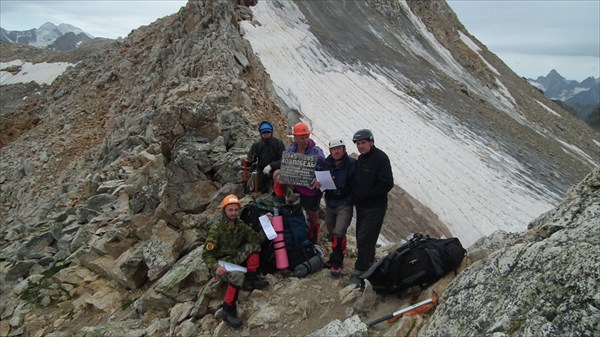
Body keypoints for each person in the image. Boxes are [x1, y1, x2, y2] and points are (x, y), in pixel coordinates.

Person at [202, 194, 270, 328]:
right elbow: (206, 254)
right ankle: (228, 310)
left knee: (254, 247)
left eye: (236, 210)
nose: (233, 213)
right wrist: (216, 267)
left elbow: (257, 239)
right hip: (220, 263)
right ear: (225, 211)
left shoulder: (240, 225)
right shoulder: (217, 229)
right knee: (237, 277)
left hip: (233, 259)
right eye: (230, 210)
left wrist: (266, 223)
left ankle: (252, 278)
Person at [271, 122, 326, 243]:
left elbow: (325, 170)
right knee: (277, 174)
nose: (305, 140)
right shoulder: (291, 149)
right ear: (295, 138)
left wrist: (317, 179)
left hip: (310, 189)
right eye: (301, 138)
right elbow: (285, 164)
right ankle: (280, 202)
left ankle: (314, 239)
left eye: (306, 137)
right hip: (296, 185)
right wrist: (284, 175)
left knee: (313, 216)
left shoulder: (317, 153)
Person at [350, 129, 393, 282]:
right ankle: (369, 265)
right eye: (358, 144)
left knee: (364, 237)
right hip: (362, 206)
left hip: (375, 206)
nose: (360, 146)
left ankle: (360, 271)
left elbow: (387, 183)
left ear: (371, 142)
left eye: (363, 143)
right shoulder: (362, 159)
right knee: (365, 236)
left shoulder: (380, 158)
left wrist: (368, 194)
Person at [321, 137, 356, 277]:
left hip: (344, 204)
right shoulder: (326, 163)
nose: (336, 151)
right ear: (330, 151)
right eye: (333, 149)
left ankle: (336, 262)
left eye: (338, 148)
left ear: (344, 149)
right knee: (332, 232)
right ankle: (337, 255)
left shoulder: (352, 164)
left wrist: (348, 200)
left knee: (339, 231)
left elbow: (356, 185)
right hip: (330, 202)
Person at [246, 121, 286, 194]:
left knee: (278, 189)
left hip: (276, 170)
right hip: (261, 170)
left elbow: (284, 160)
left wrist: (271, 165)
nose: (266, 134)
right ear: (261, 133)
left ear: (271, 132)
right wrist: (248, 160)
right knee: (252, 187)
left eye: (268, 132)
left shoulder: (279, 144)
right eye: (264, 132)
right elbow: (250, 160)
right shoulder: (256, 145)